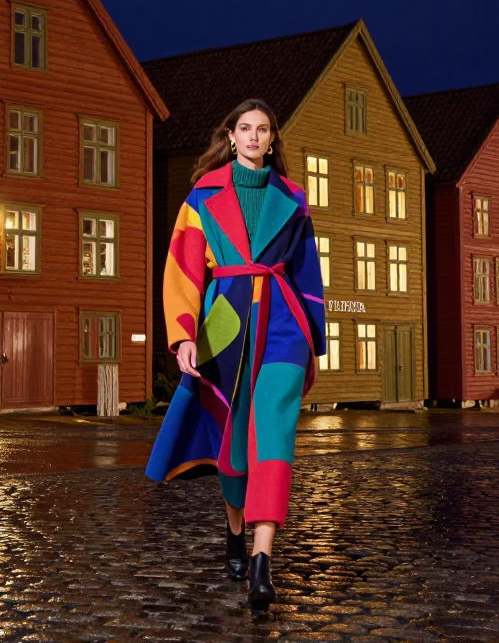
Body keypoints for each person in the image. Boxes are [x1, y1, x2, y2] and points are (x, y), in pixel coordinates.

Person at [145, 99, 326, 612]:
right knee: (233, 443)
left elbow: (308, 272)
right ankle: (235, 530)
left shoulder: (294, 199)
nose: (253, 136)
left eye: (262, 129)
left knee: (274, 431)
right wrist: (184, 334)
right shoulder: (202, 196)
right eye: (244, 128)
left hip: (283, 323)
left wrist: (313, 340)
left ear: (272, 139)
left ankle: (263, 562)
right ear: (231, 136)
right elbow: (182, 268)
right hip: (225, 325)